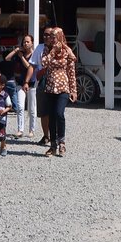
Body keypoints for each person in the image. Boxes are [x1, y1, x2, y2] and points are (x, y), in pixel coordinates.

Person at [41, 27, 77, 157]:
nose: (51, 39)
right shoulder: (47, 50)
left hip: (63, 87)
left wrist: (74, 90)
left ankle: (62, 141)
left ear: (60, 37)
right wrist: (52, 52)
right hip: (50, 87)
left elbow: (71, 72)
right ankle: (53, 145)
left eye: (54, 36)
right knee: (51, 116)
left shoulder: (67, 51)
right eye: (50, 36)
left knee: (59, 113)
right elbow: (43, 63)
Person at [4, 35, 35, 136]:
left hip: (32, 83)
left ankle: (31, 130)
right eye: (24, 42)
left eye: (27, 42)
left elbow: (29, 66)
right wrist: (16, 50)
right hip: (20, 83)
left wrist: (21, 56)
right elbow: (7, 58)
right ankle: (20, 129)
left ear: (32, 43)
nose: (25, 44)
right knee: (20, 106)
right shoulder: (18, 55)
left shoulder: (34, 55)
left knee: (32, 108)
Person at [32, 27, 51, 144]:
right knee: (43, 111)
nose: (46, 37)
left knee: (55, 111)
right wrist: (27, 81)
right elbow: (32, 65)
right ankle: (46, 135)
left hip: (56, 80)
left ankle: (56, 136)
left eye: (48, 35)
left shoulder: (59, 48)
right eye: (44, 34)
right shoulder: (39, 48)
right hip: (42, 79)